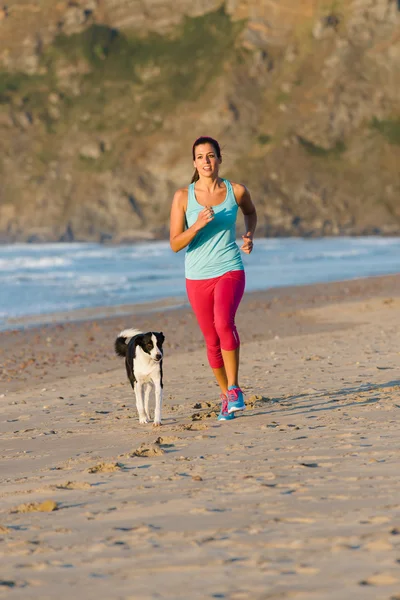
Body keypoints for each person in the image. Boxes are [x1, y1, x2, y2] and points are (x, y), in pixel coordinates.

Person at [169, 136, 257, 421]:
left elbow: (251, 213)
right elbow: (174, 243)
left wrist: (249, 234)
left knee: (223, 323)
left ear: (219, 159)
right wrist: (196, 225)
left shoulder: (236, 191)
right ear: (194, 163)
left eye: (211, 156)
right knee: (210, 340)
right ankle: (224, 395)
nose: (206, 161)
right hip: (196, 276)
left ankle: (234, 389)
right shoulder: (183, 196)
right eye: (200, 157)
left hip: (229, 268)